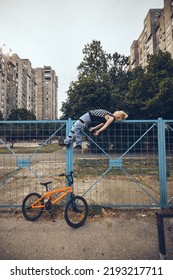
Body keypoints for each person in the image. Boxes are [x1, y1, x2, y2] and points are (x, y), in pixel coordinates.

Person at [63, 109, 128, 149]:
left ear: (119, 116)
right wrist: (94, 128)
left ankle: (67, 141)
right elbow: (102, 123)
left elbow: (105, 125)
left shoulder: (111, 118)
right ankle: (78, 144)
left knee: (75, 127)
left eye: (118, 112)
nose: (116, 111)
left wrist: (99, 131)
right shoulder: (111, 116)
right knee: (78, 130)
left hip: (88, 116)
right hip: (89, 117)